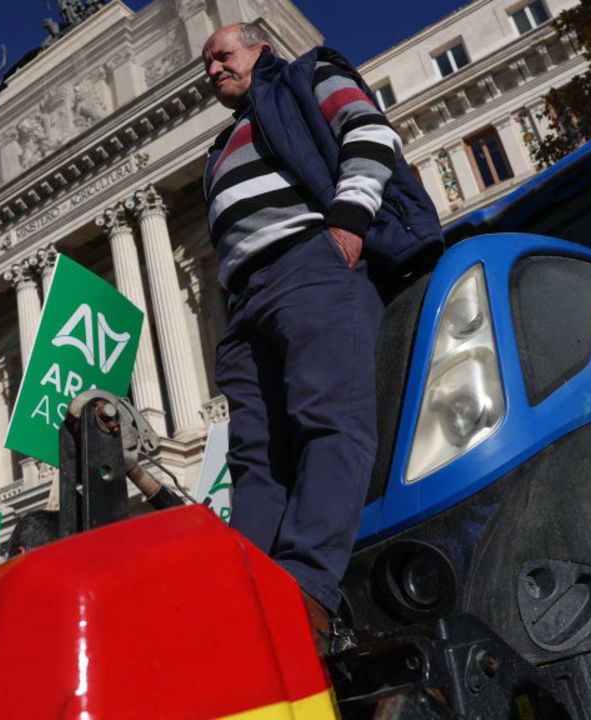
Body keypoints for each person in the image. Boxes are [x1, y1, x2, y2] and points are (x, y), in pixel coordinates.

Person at [202, 23, 442, 642]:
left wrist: (347, 222)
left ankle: (304, 592)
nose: (213, 70)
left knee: (329, 419)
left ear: (260, 49)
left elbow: (369, 132)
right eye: (207, 65)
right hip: (249, 302)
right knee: (255, 460)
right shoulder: (220, 145)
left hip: (311, 266)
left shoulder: (308, 74)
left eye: (223, 55)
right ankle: (241, 603)